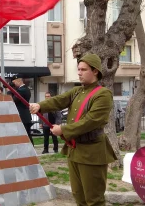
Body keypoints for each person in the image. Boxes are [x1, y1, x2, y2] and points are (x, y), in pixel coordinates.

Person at [29, 54, 117, 206]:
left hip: (92, 153)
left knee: (94, 200)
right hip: (75, 150)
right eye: (78, 69)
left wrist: (63, 130)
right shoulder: (77, 91)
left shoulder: (103, 94)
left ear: (95, 71)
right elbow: (59, 100)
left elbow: (91, 121)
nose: (79, 72)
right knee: (79, 197)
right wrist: (40, 106)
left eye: (83, 69)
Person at [11, 74, 33, 146]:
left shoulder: (22, 90)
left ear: (17, 81)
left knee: (26, 135)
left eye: (13, 83)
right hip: (25, 116)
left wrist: (9, 91)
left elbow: (13, 100)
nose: (13, 85)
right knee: (27, 135)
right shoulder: (25, 89)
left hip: (23, 116)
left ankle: (31, 151)